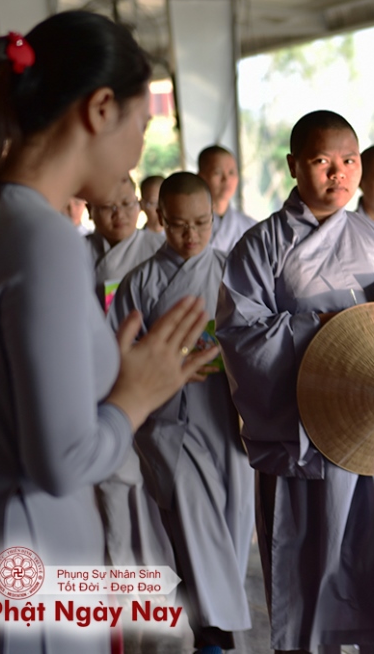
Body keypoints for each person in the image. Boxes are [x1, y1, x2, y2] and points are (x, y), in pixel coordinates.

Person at [0, 11, 216, 653]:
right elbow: (61, 459)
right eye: (142, 125)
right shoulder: (41, 240)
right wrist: (133, 397)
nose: (139, 148)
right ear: (101, 109)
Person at [217, 110, 374, 654]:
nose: (337, 174)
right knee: (309, 575)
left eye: (348, 161)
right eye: (322, 161)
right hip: (306, 439)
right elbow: (240, 336)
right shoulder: (261, 246)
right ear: (295, 165)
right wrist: (320, 332)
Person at [110, 171, 254, 654]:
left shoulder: (234, 270)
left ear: (214, 218)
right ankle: (215, 635)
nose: (190, 235)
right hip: (167, 422)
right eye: (177, 225)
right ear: (160, 219)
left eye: (201, 223)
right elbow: (120, 353)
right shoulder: (139, 282)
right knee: (194, 526)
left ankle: (215, 628)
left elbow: (256, 338)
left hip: (226, 416)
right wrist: (166, 362)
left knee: (230, 528)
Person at [85, 175, 163, 310]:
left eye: (127, 204)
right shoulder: (74, 251)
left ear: (139, 205)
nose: (119, 214)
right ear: (89, 210)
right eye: (108, 206)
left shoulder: (162, 248)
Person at [196, 145, 256, 254]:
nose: (226, 179)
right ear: (201, 177)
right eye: (217, 173)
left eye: (232, 172)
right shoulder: (187, 225)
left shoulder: (251, 227)